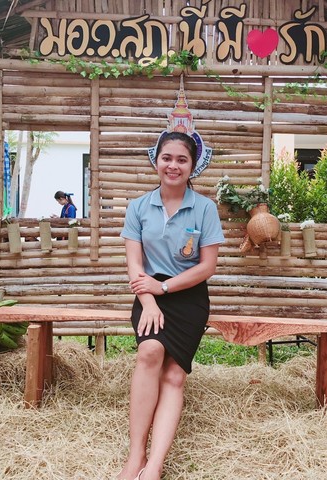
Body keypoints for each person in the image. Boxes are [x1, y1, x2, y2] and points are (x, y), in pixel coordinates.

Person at [118, 131, 224, 480]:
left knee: (174, 374)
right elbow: (135, 265)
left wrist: (163, 287)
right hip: (146, 292)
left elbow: (207, 267)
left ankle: (155, 465)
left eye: (182, 159)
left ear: (193, 166)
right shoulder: (138, 207)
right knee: (149, 351)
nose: (173, 165)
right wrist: (149, 300)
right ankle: (136, 455)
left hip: (188, 296)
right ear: (156, 161)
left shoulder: (205, 208)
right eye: (167, 158)